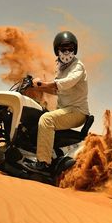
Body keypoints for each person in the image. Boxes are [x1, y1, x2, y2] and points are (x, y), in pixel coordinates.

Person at [22, 31, 89, 175]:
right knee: (38, 112)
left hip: (77, 112)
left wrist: (45, 83)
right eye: (63, 49)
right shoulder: (61, 68)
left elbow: (66, 83)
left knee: (47, 120)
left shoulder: (78, 66)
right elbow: (58, 90)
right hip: (66, 110)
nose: (66, 52)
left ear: (75, 49)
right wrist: (36, 87)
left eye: (70, 48)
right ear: (57, 50)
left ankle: (43, 163)